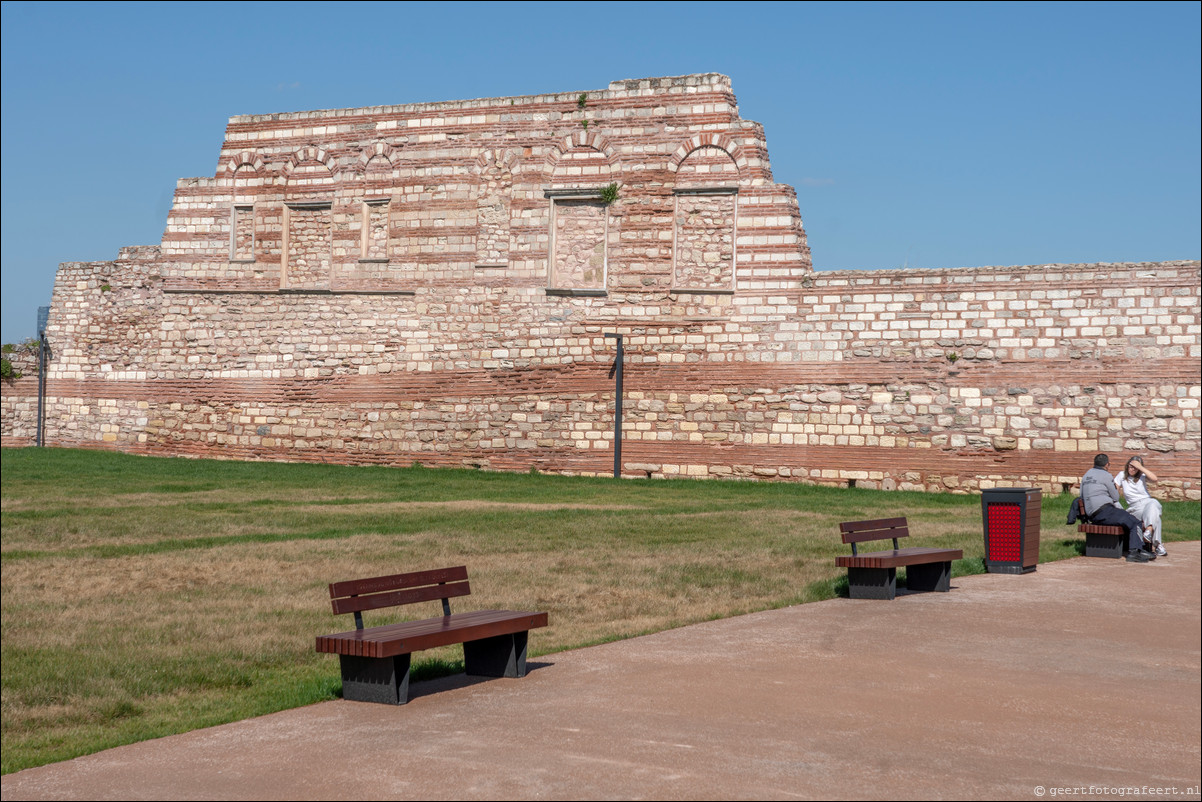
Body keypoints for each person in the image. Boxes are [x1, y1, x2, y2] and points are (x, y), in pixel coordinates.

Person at [1081, 453, 1155, 562]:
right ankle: (1135, 552)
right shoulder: (1106, 475)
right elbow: (1115, 496)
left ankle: (1135, 549)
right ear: (1107, 465)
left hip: (1091, 514)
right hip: (1104, 512)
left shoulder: (1086, 475)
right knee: (1135, 522)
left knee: (1126, 519)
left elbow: (1081, 495)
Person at [1115, 455, 1166, 557]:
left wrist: (1141, 468)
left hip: (1147, 504)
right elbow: (1115, 491)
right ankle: (1157, 544)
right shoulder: (1121, 475)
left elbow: (1154, 479)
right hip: (1134, 508)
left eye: (1135, 467)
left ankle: (1149, 531)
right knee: (1155, 508)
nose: (1132, 469)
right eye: (1130, 466)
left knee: (1152, 504)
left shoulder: (1142, 476)